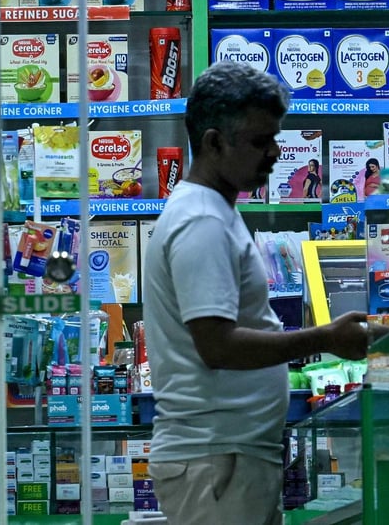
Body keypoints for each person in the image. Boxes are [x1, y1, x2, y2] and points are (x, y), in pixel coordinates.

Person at [143, 61, 376, 525]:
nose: (274, 152)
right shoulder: (202, 222)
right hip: (217, 461)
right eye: (258, 141)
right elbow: (217, 346)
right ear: (214, 143)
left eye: (275, 138)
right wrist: (326, 338)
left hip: (228, 457)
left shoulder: (213, 212)